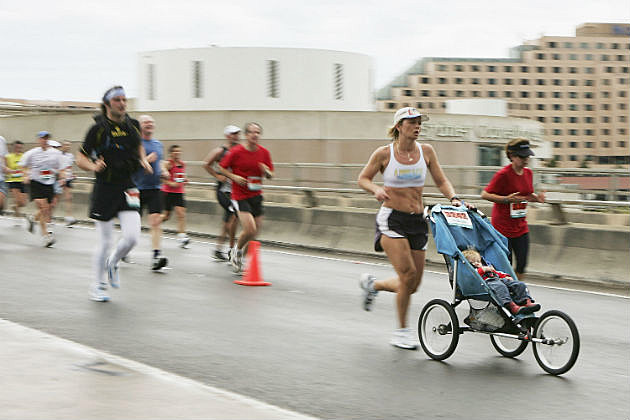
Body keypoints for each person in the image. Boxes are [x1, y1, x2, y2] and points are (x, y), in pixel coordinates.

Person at [357, 106, 470, 350]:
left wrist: (453, 198)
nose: (417, 127)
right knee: (407, 275)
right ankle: (401, 332)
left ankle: (374, 285)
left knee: (413, 284)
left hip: (418, 221)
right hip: (392, 220)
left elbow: (441, 180)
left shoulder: (426, 151)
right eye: (412, 123)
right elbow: (363, 178)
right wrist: (376, 189)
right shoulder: (384, 154)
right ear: (399, 126)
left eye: (419, 123)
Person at [76, 85, 152, 302]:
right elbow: (80, 158)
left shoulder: (133, 125)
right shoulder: (97, 130)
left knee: (132, 237)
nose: (122, 103)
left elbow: (138, 146)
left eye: (124, 99)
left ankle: (113, 261)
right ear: (108, 104)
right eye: (118, 100)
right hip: (105, 188)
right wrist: (93, 167)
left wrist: (143, 159)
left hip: (128, 185)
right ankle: (97, 285)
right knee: (105, 240)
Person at [480, 139, 545, 280]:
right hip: (503, 228)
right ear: (512, 156)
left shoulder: (528, 173)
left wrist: (537, 199)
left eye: (527, 156)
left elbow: (526, 194)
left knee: (522, 264)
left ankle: (516, 290)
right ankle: (506, 292)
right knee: (506, 265)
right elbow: (484, 194)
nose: (525, 160)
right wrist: (506, 199)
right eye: (522, 157)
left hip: (521, 227)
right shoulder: (503, 175)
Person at [218, 122, 273, 273]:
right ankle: (236, 250)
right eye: (252, 132)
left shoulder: (264, 153)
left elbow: (271, 175)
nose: (255, 135)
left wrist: (267, 172)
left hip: (256, 195)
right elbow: (221, 167)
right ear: (246, 135)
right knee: (250, 229)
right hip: (239, 195)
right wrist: (233, 176)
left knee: (255, 233)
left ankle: (239, 254)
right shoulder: (236, 152)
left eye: (258, 132)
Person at [131, 114, 168, 271]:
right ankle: (124, 249)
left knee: (156, 221)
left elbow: (161, 163)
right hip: (135, 189)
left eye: (151, 122)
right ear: (140, 126)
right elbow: (130, 165)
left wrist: (164, 171)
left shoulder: (158, 144)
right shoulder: (135, 144)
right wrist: (145, 160)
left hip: (154, 188)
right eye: (146, 122)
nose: (149, 124)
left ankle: (156, 256)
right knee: (133, 225)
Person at [19, 131, 65, 247]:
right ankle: (47, 237)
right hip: (35, 182)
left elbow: (62, 168)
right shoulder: (31, 153)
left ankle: (32, 218)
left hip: (48, 182)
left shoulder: (55, 153)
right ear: (38, 140)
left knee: (47, 208)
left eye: (46, 138)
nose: (44, 140)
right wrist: (25, 175)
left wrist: (62, 177)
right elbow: (22, 165)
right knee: (44, 208)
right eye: (42, 138)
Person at [462, 248, 540, 315]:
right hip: (487, 283)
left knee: (520, 284)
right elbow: (473, 276)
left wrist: (506, 276)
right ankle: (511, 306)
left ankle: (525, 301)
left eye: (478, 261)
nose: (476, 263)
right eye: (472, 262)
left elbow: (497, 273)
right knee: (500, 287)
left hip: (498, 279)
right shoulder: (472, 271)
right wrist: (483, 269)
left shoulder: (487, 266)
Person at [203, 125, 241, 261]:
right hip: (224, 190)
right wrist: (217, 176)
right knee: (233, 217)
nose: (236, 136)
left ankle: (218, 249)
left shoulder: (239, 150)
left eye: (237, 133)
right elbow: (206, 164)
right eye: (233, 134)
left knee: (228, 220)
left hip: (236, 190)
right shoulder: (221, 150)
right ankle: (232, 249)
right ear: (227, 135)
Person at [161, 144, 190, 248]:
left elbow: (180, 177)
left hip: (179, 192)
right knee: (166, 216)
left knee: (181, 214)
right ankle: (156, 223)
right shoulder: (169, 163)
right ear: (171, 153)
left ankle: (182, 237)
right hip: (168, 193)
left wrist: (185, 180)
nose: (177, 153)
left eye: (179, 151)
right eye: (175, 151)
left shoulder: (182, 164)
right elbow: (162, 177)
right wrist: (170, 183)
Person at [5, 141, 27, 218]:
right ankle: (17, 216)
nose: (18, 149)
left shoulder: (24, 156)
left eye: (20, 148)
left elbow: (26, 168)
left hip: (22, 180)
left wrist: (26, 175)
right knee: (18, 200)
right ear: (14, 147)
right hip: (13, 180)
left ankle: (15, 207)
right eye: (17, 147)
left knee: (23, 203)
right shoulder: (8, 156)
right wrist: (8, 170)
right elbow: (5, 167)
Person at [59, 141, 78, 227]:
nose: (68, 146)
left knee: (69, 197)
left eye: (69, 145)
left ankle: (68, 217)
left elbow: (70, 167)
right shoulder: (58, 155)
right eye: (66, 145)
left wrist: (72, 174)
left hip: (68, 179)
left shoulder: (71, 156)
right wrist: (60, 177)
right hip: (60, 179)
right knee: (54, 200)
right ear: (62, 146)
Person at [0, 135, 10, 214]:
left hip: (1, 176)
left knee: (1, 203)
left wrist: (6, 167)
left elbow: (5, 156)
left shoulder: (1, 139)